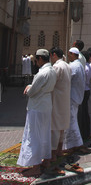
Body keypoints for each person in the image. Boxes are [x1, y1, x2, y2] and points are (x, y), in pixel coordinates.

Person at [17, 49, 57, 177]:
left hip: (37, 107)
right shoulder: (52, 71)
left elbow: (32, 92)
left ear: (40, 59)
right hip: (46, 105)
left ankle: (35, 166)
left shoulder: (42, 73)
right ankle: (46, 160)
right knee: (44, 133)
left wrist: (29, 87)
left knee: (34, 136)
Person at [63, 47, 90, 154]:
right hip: (77, 97)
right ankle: (71, 144)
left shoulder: (74, 66)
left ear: (73, 54)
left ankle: (78, 144)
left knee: (71, 121)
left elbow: (66, 78)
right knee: (71, 121)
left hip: (72, 97)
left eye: (69, 54)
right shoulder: (79, 65)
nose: (68, 56)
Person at [49, 47, 71, 166]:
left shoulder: (57, 67)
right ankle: (59, 150)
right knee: (61, 126)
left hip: (56, 99)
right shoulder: (67, 65)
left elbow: (51, 82)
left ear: (53, 55)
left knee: (55, 127)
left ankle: (52, 154)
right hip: (64, 99)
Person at [78, 50, 91, 141]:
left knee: (83, 113)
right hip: (86, 90)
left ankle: (84, 132)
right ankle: (86, 131)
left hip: (84, 90)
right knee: (84, 112)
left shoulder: (85, 68)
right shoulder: (88, 67)